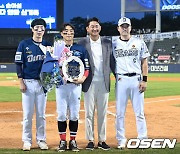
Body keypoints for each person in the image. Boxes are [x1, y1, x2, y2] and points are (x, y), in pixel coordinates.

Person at [112, 17, 150, 149]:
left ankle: (142, 138)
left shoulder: (139, 42)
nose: (124, 28)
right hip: (121, 79)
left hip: (136, 80)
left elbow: (144, 62)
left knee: (139, 112)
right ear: (118, 28)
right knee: (120, 113)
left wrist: (144, 80)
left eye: (126, 26)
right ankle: (121, 139)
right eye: (122, 26)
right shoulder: (114, 44)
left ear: (130, 27)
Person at [78, 17, 115, 151]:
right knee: (89, 113)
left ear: (100, 28)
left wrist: (117, 76)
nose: (94, 28)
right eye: (92, 26)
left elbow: (112, 61)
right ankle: (90, 140)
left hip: (104, 81)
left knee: (102, 113)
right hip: (88, 82)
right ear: (87, 29)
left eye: (96, 26)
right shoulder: (82, 43)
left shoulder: (107, 42)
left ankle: (102, 140)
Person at [14, 18, 51, 151]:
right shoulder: (24, 44)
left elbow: (52, 64)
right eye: (37, 28)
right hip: (28, 83)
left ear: (44, 30)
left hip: (42, 84)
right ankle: (27, 141)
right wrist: (20, 81)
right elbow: (18, 64)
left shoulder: (47, 45)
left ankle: (41, 139)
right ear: (32, 29)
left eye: (42, 28)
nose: (39, 30)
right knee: (28, 114)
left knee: (41, 114)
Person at [54, 23, 90, 152]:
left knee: (74, 114)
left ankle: (73, 140)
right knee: (62, 114)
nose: (68, 33)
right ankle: (63, 141)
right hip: (61, 85)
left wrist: (82, 79)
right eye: (66, 31)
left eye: (71, 31)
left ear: (73, 34)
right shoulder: (58, 48)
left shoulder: (80, 49)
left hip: (75, 85)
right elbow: (53, 66)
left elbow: (87, 67)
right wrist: (57, 75)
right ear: (62, 33)